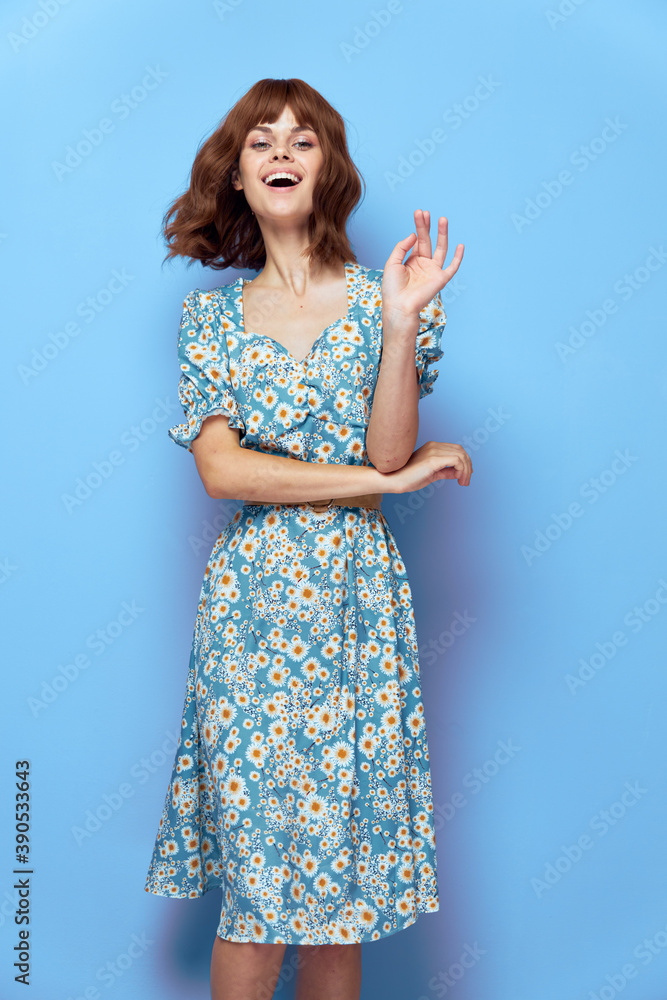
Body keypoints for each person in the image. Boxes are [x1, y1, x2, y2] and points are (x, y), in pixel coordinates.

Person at [144, 77, 472, 1000]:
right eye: (260, 142)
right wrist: (381, 484)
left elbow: (392, 443)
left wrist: (402, 324)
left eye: (302, 140)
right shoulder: (207, 319)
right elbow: (225, 472)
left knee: (339, 886)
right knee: (257, 888)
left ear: (327, 170)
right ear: (236, 177)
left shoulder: (385, 299)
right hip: (251, 606)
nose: (281, 153)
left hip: (357, 599)